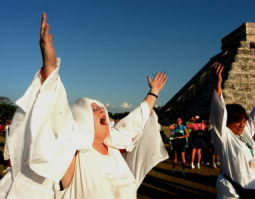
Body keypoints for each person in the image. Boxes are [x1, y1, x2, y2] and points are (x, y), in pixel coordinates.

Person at [0, 13, 169, 199]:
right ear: (82, 120)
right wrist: (50, 67)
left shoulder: (114, 147)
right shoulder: (72, 155)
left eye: (101, 108)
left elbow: (135, 122)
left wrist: (153, 93)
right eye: (94, 110)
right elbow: (56, 114)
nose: (101, 110)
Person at [210, 63, 255, 199]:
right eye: (238, 121)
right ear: (227, 123)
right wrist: (218, 85)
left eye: (244, 120)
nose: (242, 125)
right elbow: (218, 113)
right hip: (233, 191)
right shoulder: (223, 136)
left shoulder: (245, 131)